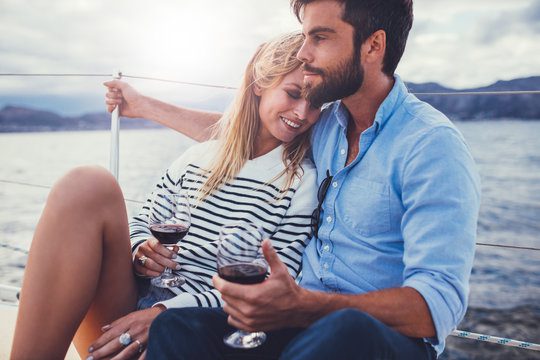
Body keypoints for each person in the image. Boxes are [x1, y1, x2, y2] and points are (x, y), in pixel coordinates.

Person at [106, 1, 481, 359]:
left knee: (346, 329)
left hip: (378, 339)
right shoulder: (327, 124)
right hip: (299, 322)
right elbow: (245, 131)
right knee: (176, 327)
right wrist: (144, 107)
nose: (304, 52)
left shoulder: (431, 146)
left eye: (319, 37)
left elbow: (438, 306)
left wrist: (304, 307)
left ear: (373, 46)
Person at [10, 31, 321, 360]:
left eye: (316, 102)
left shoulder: (302, 183)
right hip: (130, 311)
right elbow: (145, 220)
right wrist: (141, 255)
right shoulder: (198, 157)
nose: (303, 113)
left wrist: (164, 314)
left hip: (202, 328)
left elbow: (273, 288)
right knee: (85, 183)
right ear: (259, 83)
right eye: (292, 93)